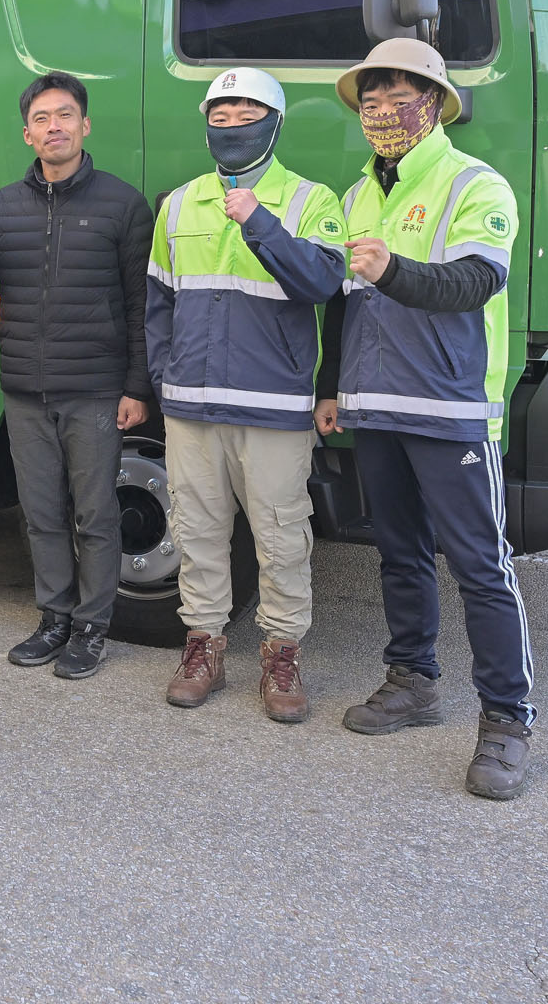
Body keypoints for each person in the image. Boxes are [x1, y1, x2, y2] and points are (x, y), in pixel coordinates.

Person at [315, 38, 535, 799]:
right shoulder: (355, 195)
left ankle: (507, 722)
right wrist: (331, 385)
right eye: (370, 101)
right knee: (399, 553)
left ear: (434, 105)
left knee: (481, 567)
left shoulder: (476, 184)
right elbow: (346, 304)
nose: (381, 112)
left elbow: (474, 281)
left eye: (399, 98)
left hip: (450, 407)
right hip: (376, 406)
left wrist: (393, 269)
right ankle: (412, 680)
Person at [145, 68, 345, 722]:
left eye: (247, 115)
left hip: (274, 406)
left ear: (275, 124)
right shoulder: (179, 204)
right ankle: (202, 647)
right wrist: (164, 375)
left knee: (282, 537)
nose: (232, 127)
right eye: (220, 116)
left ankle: (281, 655)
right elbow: (158, 301)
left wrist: (259, 221)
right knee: (196, 532)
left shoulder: (310, 200)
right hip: (191, 404)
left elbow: (322, 283)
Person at [0, 70, 153, 680]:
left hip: (95, 390)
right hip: (25, 390)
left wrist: (137, 387)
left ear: (84, 125)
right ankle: (54, 620)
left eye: (64, 115)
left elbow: (142, 305)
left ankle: (92, 628)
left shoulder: (122, 204)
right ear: (27, 135)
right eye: (41, 119)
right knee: (40, 514)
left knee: (96, 516)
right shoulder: (2, 206)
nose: (53, 127)